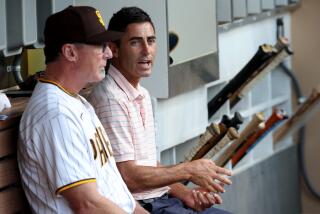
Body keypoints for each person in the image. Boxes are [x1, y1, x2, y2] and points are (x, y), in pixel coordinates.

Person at [88, 6, 233, 214]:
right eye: (135, 42)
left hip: (163, 200)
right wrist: (189, 170)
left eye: (151, 41)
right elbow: (128, 177)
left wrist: (187, 194)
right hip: (142, 207)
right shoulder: (111, 99)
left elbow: (149, 165)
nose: (147, 51)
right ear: (114, 49)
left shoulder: (142, 95)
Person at [17, 5, 148, 214]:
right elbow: (87, 205)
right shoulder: (55, 114)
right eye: (99, 45)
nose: (108, 53)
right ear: (70, 52)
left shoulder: (75, 101)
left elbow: (118, 196)